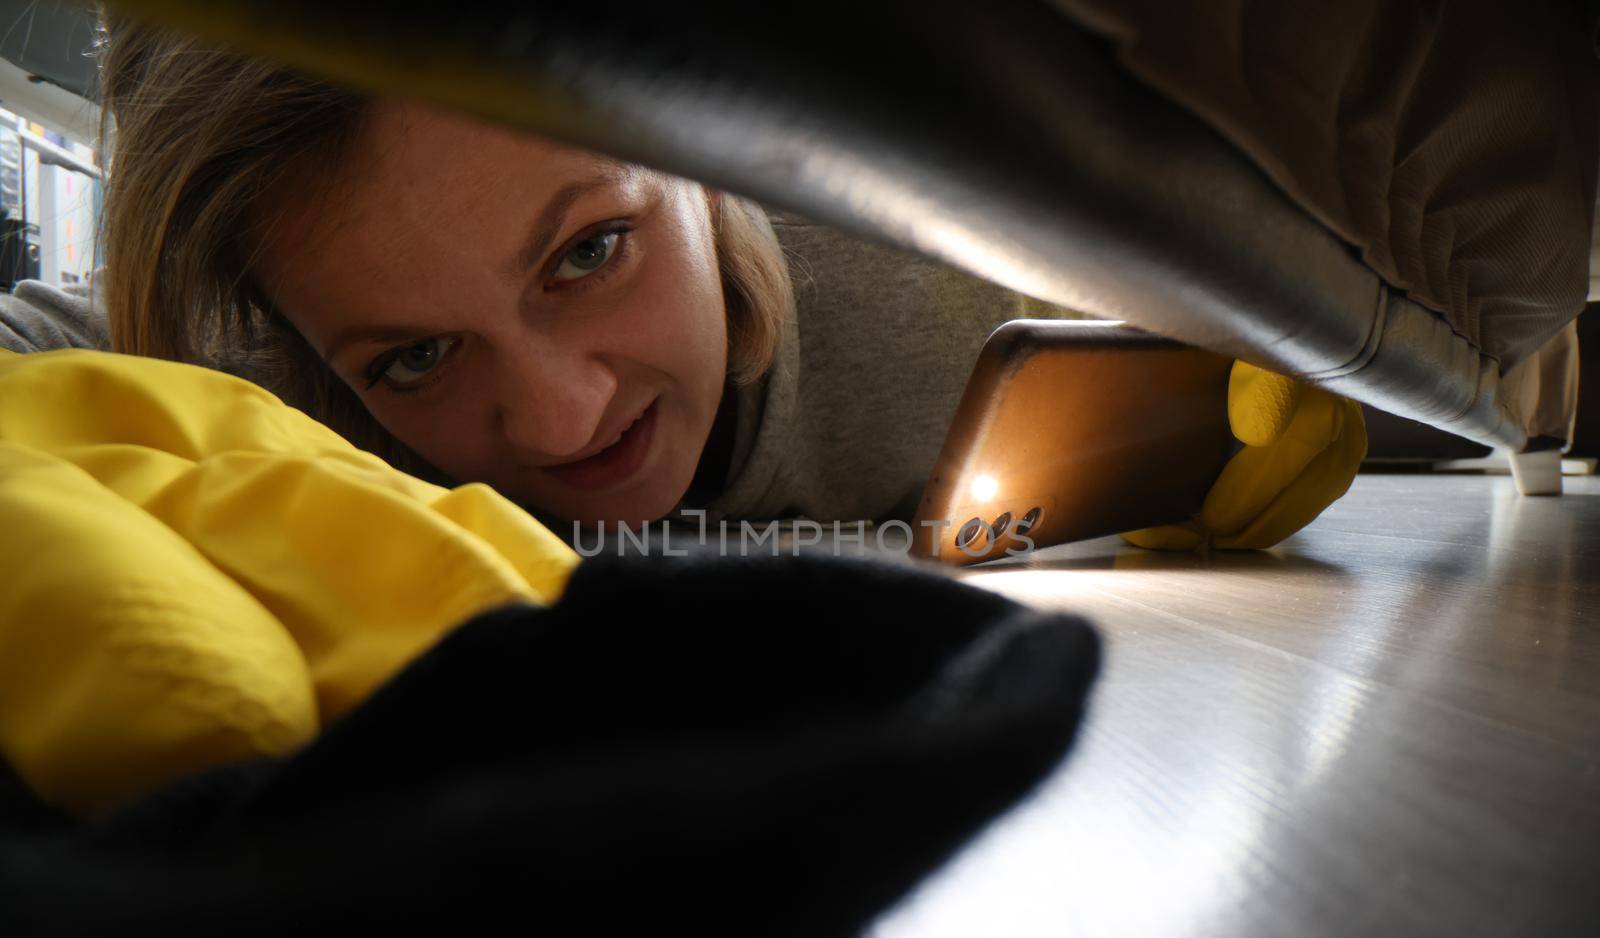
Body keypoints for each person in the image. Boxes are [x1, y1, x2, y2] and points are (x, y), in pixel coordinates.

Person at [0, 12, 1364, 550]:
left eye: (589, 250)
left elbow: (1493, 385)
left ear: (704, 160)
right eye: (412, 359)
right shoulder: (266, 382)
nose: (557, 418)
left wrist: (1331, 361)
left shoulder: (962, 266)